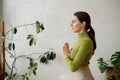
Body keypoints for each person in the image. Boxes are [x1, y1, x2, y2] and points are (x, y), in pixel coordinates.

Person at [59, 11, 96, 80]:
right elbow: (77, 61)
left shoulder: (85, 41)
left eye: (73, 22)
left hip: (83, 77)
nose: (71, 24)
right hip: (79, 76)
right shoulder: (81, 39)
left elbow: (73, 67)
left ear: (83, 24)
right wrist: (69, 54)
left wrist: (66, 56)